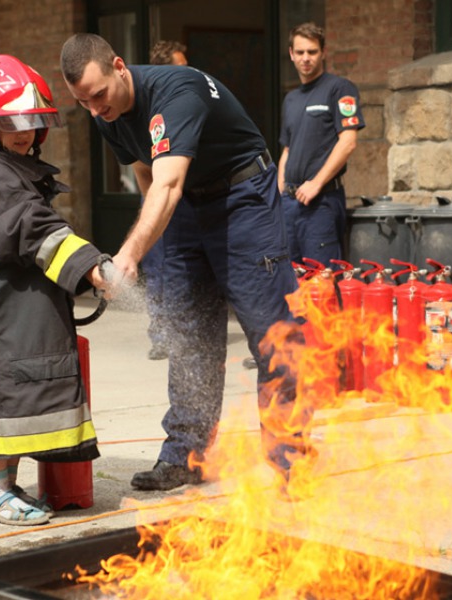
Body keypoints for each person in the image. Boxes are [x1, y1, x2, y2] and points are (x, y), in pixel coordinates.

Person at [60, 33, 301, 491]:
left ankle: (291, 461)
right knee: (189, 336)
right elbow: (148, 173)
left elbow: (166, 185)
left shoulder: (177, 91)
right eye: (82, 102)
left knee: (273, 335)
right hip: (188, 206)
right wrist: (158, 238)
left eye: (98, 95)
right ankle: (185, 457)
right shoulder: (105, 112)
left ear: (118, 66)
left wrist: (131, 253)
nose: (94, 108)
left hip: (242, 198)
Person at [0, 54, 108, 525]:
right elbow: (30, 228)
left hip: (10, 307)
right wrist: (92, 267)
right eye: (13, 123)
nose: (26, 132)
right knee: (3, 397)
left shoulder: (8, 168)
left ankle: (6, 489)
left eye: (33, 122)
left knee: (15, 399)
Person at [278, 22, 365, 266]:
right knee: (291, 279)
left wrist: (316, 183)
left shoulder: (339, 89)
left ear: (323, 53)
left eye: (312, 52)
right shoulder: (291, 99)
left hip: (321, 203)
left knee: (321, 280)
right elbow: (287, 149)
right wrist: (281, 193)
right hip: (290, 204)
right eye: (301, 52)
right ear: (291, 54)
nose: (306, 58)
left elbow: (348, 142)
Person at [141, 40, 188, 361]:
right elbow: (141, 167)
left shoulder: (183, 104)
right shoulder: (150, 110)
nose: (188, 74)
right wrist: (154, 207)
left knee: (179, 270)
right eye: (182, 69)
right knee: (159, 268)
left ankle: (180, 332)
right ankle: (162, 335)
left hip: (181, 196)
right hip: (160, 200)